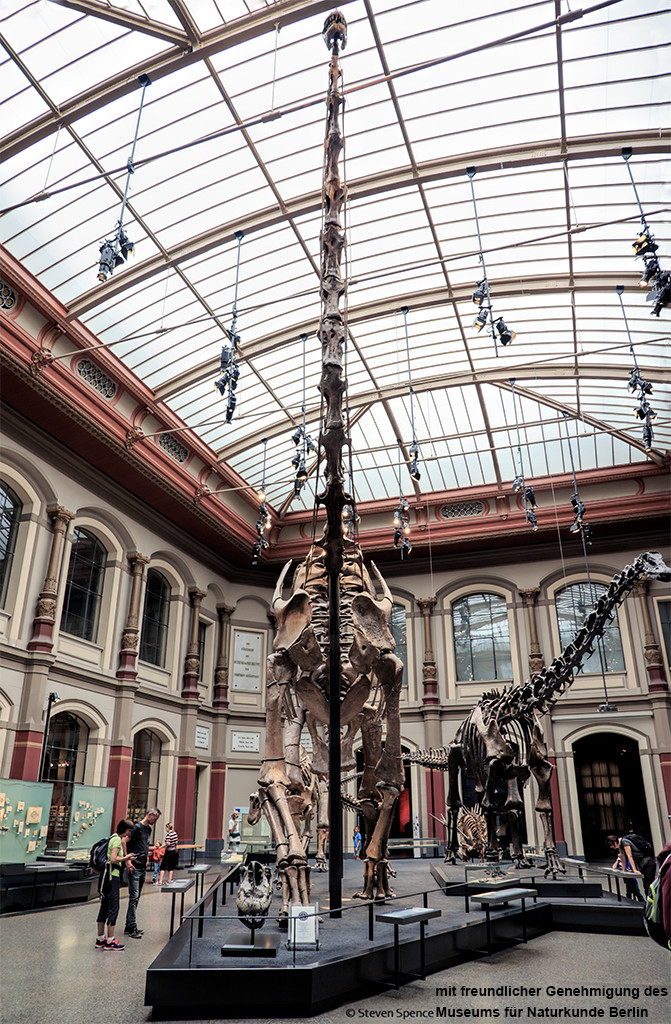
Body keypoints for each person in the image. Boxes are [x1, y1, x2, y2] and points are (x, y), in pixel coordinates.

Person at [95, 818, 135, 951]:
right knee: (113, 906)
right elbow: (113, 858)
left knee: (104, 906)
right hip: (113, 876)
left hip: (106, 877)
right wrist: (126, 858)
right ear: (125, 829)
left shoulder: (111, 837)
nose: (129, 834)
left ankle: (101, 938)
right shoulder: (117, 839)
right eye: (129, 830)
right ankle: (110, 941)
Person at [124, 806, 161, 939]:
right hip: (134, 867)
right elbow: (124, 840)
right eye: (155, 818)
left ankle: (129, 925)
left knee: (136, 897)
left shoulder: (148, 829)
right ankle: (132, 927)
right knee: (133, 897)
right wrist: (127, 860)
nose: (155, 822)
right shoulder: (137, 827)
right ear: (150, 814)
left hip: (142, 866)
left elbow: (144, 844)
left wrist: (145, 858)